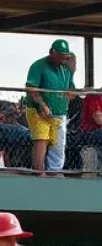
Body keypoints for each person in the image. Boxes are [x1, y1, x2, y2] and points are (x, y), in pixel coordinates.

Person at [25, 39, 74, 175]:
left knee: (58, 145)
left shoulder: (66, 70)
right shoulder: (39, 66)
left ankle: (54, 173)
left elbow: (71, 87)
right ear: (53, 53)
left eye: (66, 57)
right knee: (42, 140)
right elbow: (31, 87)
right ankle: (39, 173)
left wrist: (72, 93)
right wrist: (42, 105)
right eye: (61, 57)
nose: (64, 61)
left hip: (59, 112)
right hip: (38, 111)